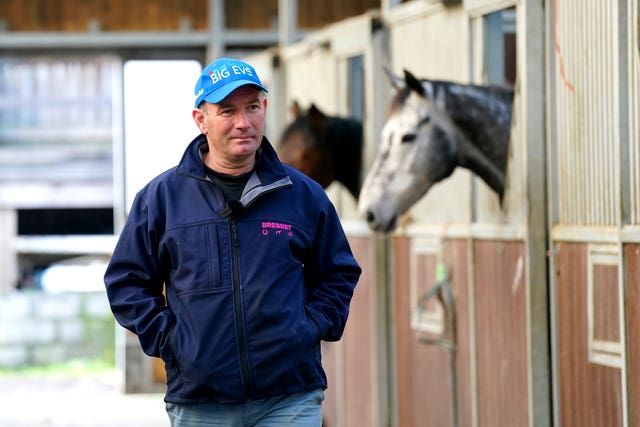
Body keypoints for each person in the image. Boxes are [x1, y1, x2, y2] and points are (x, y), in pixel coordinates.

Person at [103, 57, 361, 427]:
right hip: (201, 401)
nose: (244, 123)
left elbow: (339, 272)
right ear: (200, 119)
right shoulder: (160, 199)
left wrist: (310, 328)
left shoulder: (303, 194)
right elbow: (125, 283)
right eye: (227, 111)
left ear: (265, 108)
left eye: (252, 107)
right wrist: (172, 342)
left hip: (289, 398)